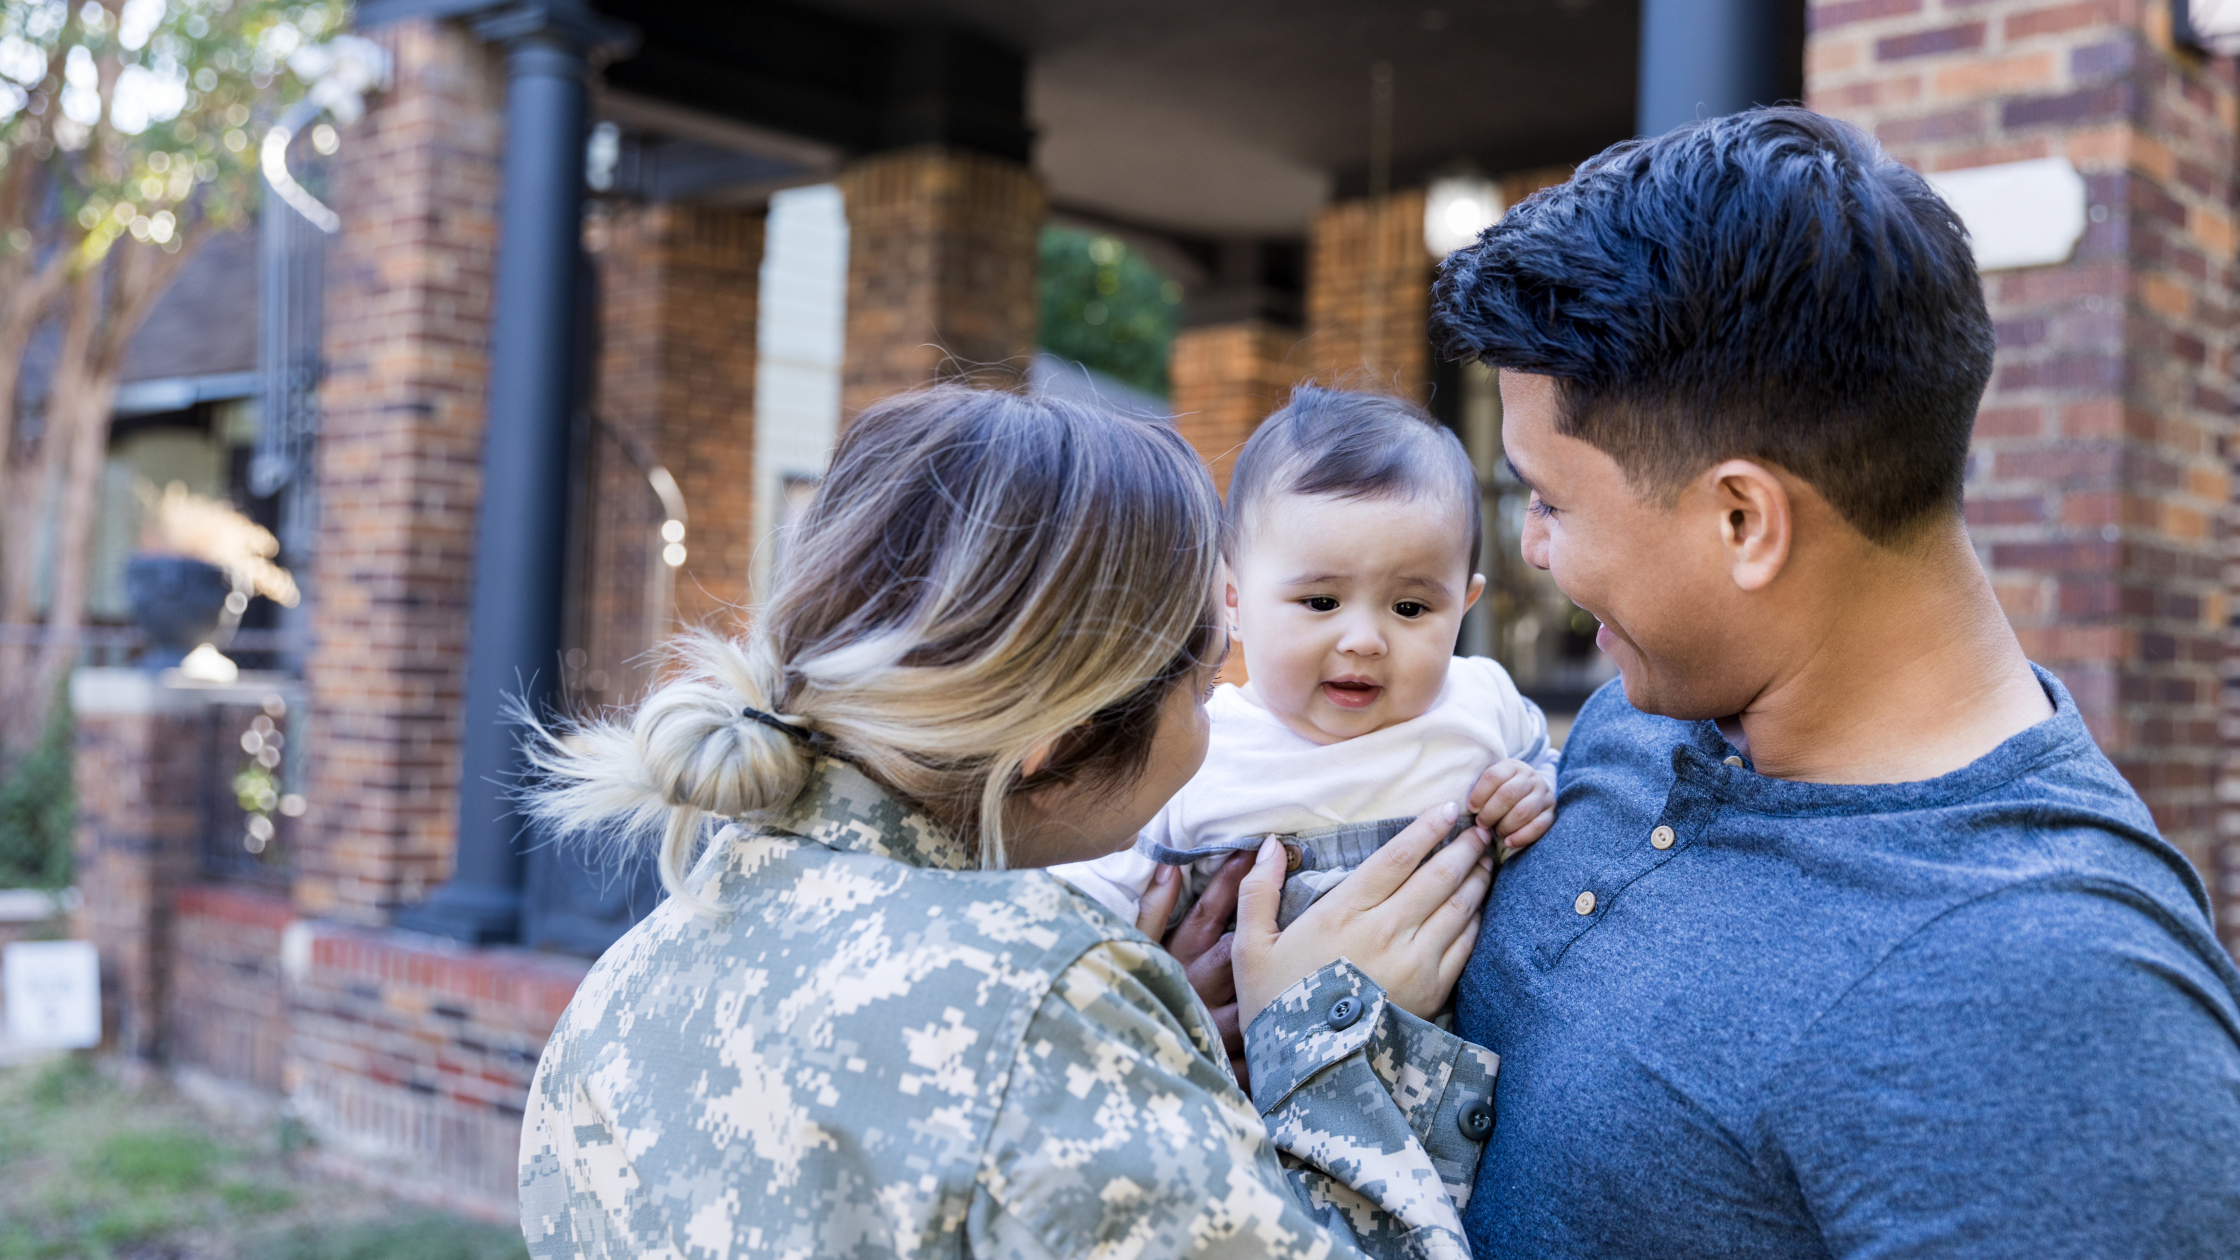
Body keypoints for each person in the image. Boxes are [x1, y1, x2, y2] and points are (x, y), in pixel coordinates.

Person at [1433, 106, 2240, 1257]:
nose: (1535, 553)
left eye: (1551, 501)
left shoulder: (2050, 1008)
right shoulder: (1646, 712)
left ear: (1740, 520)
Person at [514, 387, 1503, 1259]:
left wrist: (1159, 1064)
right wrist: (1321, 1043)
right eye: (1204, 687)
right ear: (1061, 737)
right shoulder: (1043, 1003)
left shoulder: (632, 976)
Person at [1054, 386, 1558, 931]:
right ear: (1233, 601)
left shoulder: (1482, 701)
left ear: (1463, 607)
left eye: (1410, 608)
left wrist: (1533, 792)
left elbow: (1548, 767)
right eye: (1321, 602)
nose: (1364, 641)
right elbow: (1093, 899)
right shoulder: (1196, 750)